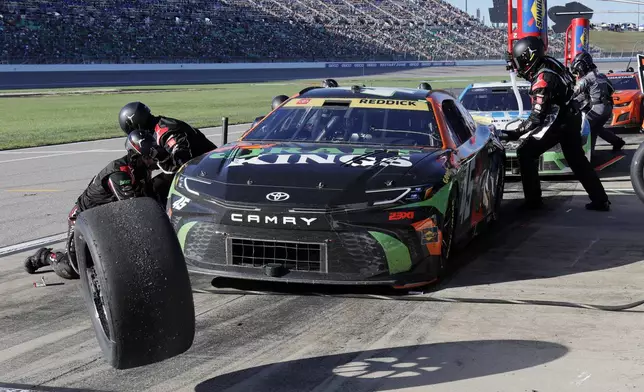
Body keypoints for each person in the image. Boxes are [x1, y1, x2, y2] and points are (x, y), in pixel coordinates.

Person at [24, 131, 160, 279]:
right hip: (83, 218)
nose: (152, 160)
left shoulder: (142, 171)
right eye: (148, 156)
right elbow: (132, 209)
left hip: (107, 218)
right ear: (135, 156)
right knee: (73, 269)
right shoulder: (119, 174)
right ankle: (45, 256)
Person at [504, 36, 610, 211]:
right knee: (577, 160)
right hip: (571, 115)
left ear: (528, 57)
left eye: (519, 61)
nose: (517, 67)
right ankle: (600, 200)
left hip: (560, 120)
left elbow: (537, 118)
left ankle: (533, 202)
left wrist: (514, 133)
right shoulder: (551, 62)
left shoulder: (543, 78)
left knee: (526, 152)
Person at [118, 102, 217, 205]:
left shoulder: (167, 131)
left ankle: (164, 217)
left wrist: (157, 155)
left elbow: (181, 162)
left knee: (154, 188)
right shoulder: (157, 128)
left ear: (135, 123)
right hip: (199, 164)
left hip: (207, 167)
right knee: (148, 185)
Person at [570, 51, 625, 158]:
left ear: (582, 66)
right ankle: (617, 142)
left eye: (578, 70)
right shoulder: (602, 76)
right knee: (597, 129)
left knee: (584, 129)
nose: (578, 73)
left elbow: (573, 92)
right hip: (608, 108)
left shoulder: (587, 79)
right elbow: (612, 89)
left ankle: (583, 154)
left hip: (597, 108)